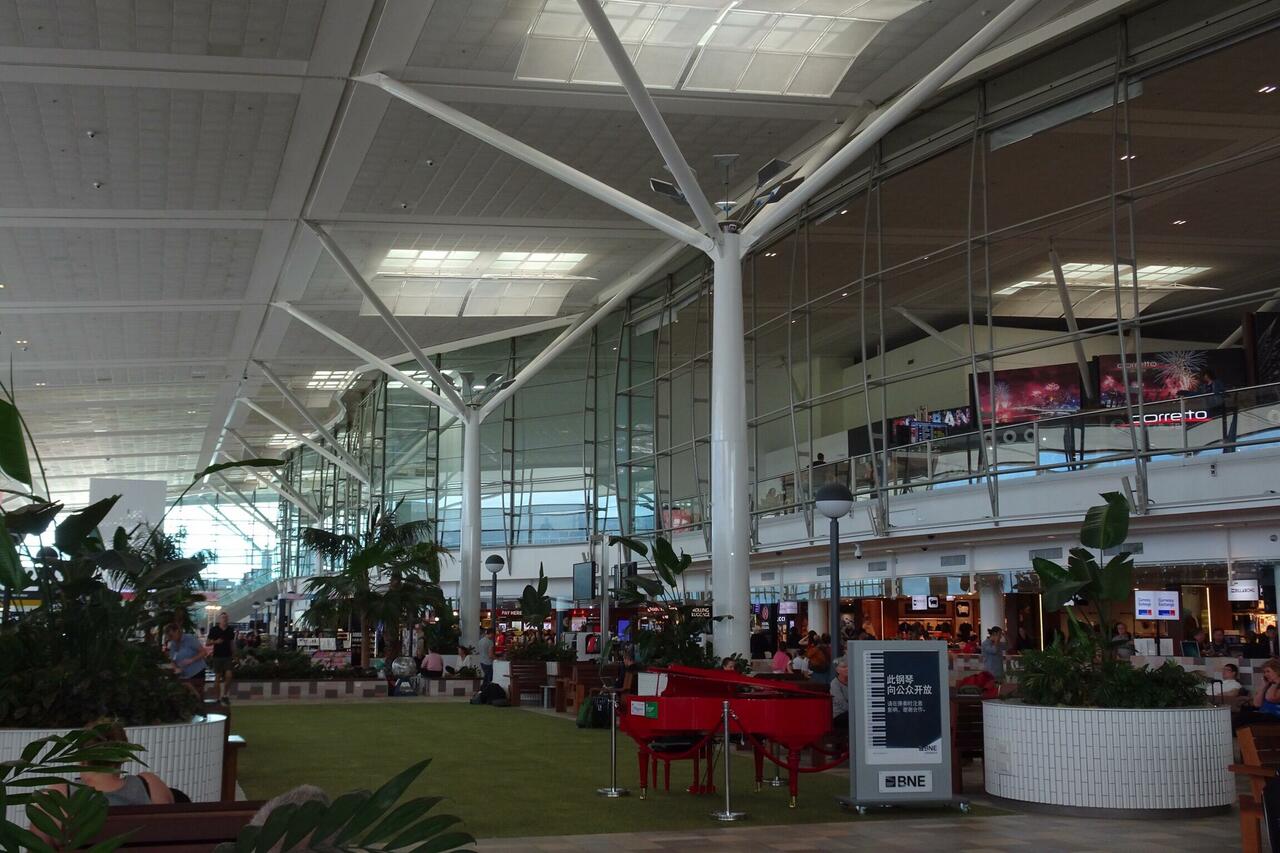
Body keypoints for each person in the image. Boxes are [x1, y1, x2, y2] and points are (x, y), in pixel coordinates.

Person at [30, 719, 175, 843]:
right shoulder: (151, 786)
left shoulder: (58, 796)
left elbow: (36, 847)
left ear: (81, 757)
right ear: (122, 757)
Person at [165, 622, 207, 700]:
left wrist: (191, 660)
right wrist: (175, 668)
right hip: (183, 675)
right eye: (169, 636)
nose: (171, 638)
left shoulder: (190, 639)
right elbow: (172, 659)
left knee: (197, 696)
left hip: (196, 672)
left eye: (171, 635)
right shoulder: (173, 643)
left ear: (177, 631)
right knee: (186, 698)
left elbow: (203, 652)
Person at [206, 611, 236, 703]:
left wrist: (234, 654)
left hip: (228, 656)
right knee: (217, 677)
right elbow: (207, 643)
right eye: (223, 618)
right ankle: (218, 698)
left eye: (226, 618)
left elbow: (231, 643)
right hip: (217, 656)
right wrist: (215, 642)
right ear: (220, 619)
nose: (225, 619)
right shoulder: (214, 630)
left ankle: (225, 695)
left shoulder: (230, 630)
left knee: (229, 676)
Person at [830, 657, 849, 731]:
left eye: (848, 666)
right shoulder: (834, 683)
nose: (847, 669)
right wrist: (856, 711)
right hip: (839, 715)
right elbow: (841, 703)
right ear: (837, 670)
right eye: (844, 667)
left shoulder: (853, 681)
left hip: (850, 713)